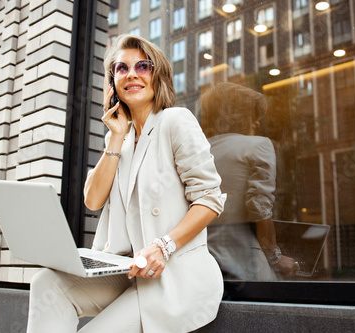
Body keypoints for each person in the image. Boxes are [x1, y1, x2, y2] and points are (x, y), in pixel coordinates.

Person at [26, 34, 226, 333]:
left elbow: (209, 198)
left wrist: (163, 245)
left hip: (172, 275)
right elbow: (92, 201)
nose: (131, 74)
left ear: (158, 77)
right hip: (126, 271)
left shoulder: (175, 121)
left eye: (142, 66)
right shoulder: (118, 138)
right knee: (47, 283)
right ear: (113, 84)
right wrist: (116, 136)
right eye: (121, 68)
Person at [201, 82, 298, 281]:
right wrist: (275, 258)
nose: (257, 123)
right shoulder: (259, 145)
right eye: (254, 116)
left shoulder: (199, 151)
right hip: (246, 264)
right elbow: (259, 207)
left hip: (203, 265)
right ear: (241, 116)